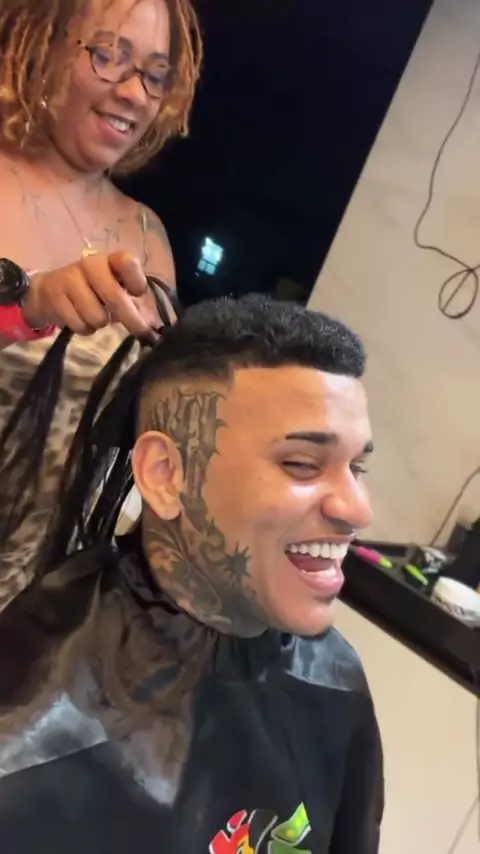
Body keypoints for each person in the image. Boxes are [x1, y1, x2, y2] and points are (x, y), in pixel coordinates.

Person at [0, 295, 384, 853]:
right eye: (302, 464)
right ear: (164, 473)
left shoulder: (332, 679)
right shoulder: (31, 742)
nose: (358, 509)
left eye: (357, 466)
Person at [0, 0, 201, 607]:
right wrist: (26, 304)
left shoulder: (147, 235)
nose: (135, 93)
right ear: (43, 48)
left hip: (42, 596)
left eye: (155, 75)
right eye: (109, 56)